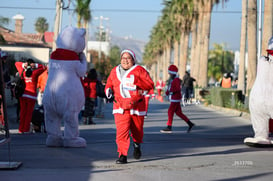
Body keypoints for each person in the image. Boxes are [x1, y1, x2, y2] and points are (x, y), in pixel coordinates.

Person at [105, 49, 154, 164]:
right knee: (122, 132)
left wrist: (136, 82)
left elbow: (150, 85)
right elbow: (109, 84)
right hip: (120, 106)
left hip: (136, 107)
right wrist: (108, 91)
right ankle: (122, 155)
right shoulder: (114, 71)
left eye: (128, 58)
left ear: (133, 60)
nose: (125, 60)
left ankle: (137, 144)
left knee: (137, 131)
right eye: (123, 58)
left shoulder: (140, 70)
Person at [43, 26, 87, 148]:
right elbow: (82, 72)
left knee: (51, 116)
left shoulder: (53, 57)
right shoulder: (73, 59)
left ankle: (53, 137)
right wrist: (83, 59)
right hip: (67, 95)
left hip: (49, 93)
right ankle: (71, 138)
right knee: (70, 115)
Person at [160, 65, 195, 134]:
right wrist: (166, 94)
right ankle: (190, 124)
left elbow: (177, 89)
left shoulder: (176, 80)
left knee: (170, 111)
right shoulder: (172, 80)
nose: (169, 74)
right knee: (179, 113)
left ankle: (169, 127)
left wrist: (170, 91)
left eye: (170, 73)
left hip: (175, 98)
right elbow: (169, 88)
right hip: (175, 98)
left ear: (173, 73)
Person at [15, 58, 45, 133]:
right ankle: (26, 129)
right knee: (28, 114)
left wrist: (23, 65)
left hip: (23, 95)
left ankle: (20, 129)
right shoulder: (35, 73)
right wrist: (36, 65)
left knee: (22, 113)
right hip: (31, 96)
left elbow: (16, 63)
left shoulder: (22, 71)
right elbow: (44, 67)